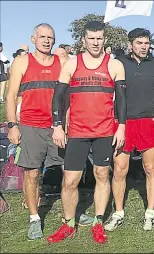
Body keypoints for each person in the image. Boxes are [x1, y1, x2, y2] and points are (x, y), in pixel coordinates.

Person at [47, 21, 126, 244]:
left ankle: (98, 223)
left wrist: (121, 126)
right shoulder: (72, 64)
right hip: (78, 131)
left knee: (102, 175)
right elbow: (58, 96)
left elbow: (122, 100)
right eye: (91, 38)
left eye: (99, 38)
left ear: (105, 39)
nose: (95, 42)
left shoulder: (115, 65)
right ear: (84, 40)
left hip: (104, 130)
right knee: (70, 179)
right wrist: (57, 124)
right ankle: (68, 223)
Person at [104, 28, 154, 232]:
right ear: (130, 44)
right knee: (120, 170)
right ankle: (118, 213)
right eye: (139, 43)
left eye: (146, 43)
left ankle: (150, 213)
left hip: (148, 122)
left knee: (150, 168)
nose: (144, 47)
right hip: (123, 123)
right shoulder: (119, 63)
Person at [5, 23, 65, 241]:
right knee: (31, 174)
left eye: (50, 37)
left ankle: (70, 215)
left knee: (70, 171)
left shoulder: (62, 62)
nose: (47, 41)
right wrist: (12, 125)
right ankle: (34, 218)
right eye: (42, 37)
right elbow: (10, 96)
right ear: (33, 39)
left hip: (57, 127)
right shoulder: (22, 61)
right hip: (30, 126)